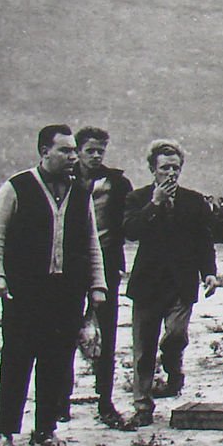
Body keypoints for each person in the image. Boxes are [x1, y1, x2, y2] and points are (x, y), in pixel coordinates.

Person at [0, 125, 107, 446]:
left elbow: (91, 243)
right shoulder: (17, 187)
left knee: (56, 362)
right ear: (44, 152)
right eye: (65, 150)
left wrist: (97, 285)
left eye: (74, 150)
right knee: (17, 359)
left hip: (66, 294)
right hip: (24, 292)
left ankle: (46, 430)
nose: (72, 156)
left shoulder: (81, 193)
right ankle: (5, 431)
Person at [123, 140, 218, 427]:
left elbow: (204, 240)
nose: (171, 173)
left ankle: (173, 367)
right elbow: (130, 231)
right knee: (143, 349)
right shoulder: (137, 198)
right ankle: (142, 405)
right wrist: (154, 204)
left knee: (176, 335)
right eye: (165, 168)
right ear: (152, 169)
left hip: (181, 282)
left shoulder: (194, 201)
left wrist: (209, 272)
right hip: (148, 284)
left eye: (175, 167)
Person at [74, 127, 134, 429]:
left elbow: (127, 223)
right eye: (90, 151)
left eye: (101, 151)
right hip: (69, 266)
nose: (96, 156)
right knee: (64, 331)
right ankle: (59, 399)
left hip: (106, 264)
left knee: (107, 334)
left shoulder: (117, 183)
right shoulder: (64, 180)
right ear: (78, 151)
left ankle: (105, 400)